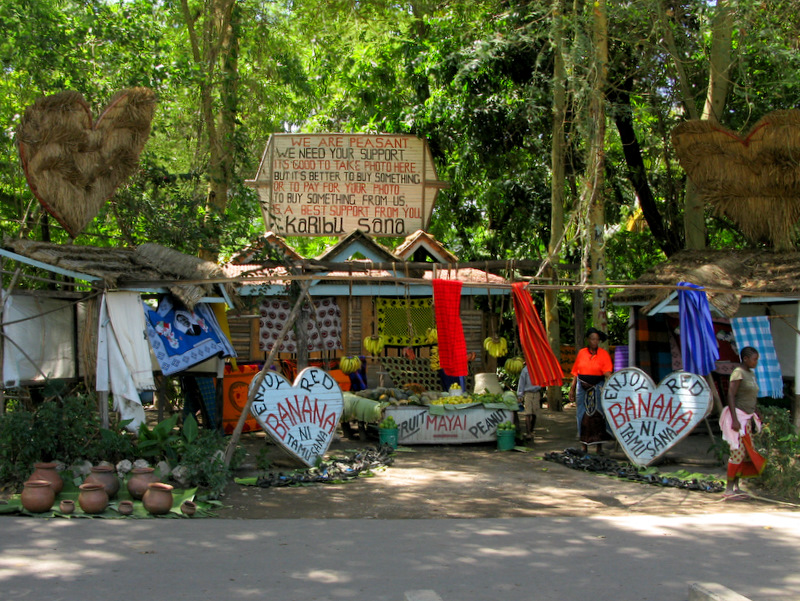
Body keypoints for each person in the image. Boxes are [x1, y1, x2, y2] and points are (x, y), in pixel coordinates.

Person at [720, 346, 766, 499]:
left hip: (747, 418)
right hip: (738, 418)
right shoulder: (738, 373)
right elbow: (731, 395)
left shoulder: (751, 374)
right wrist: (734, 419)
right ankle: (728, 489)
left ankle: (736, 486)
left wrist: (756, 411)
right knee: (737, 452)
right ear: (745, 359)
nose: (756, 362)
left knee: (745, 453)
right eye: (754, 359)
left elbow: (752, 396)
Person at [568, 327, 613, 454]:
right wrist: (572, 388)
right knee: (582, 414)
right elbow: (576, 372)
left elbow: (607, 372)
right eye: (592, 339)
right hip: (581, 386)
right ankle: (584, 446)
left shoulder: (603, 354)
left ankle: (599, 447)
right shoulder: (582, 353)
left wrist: (616, 382)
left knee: (598, 414)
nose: (594, 341)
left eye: (597, 339)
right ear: (588, 340)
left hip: (597, 385)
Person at [516, 364, 542, 442]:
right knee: (528, 413)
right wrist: (520, 395)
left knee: (534, 413)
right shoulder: (525, 370)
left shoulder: (539, 369)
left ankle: (531, 430)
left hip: (536, 392)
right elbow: (521, 383)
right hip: (528, 393)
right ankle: (528, 433)